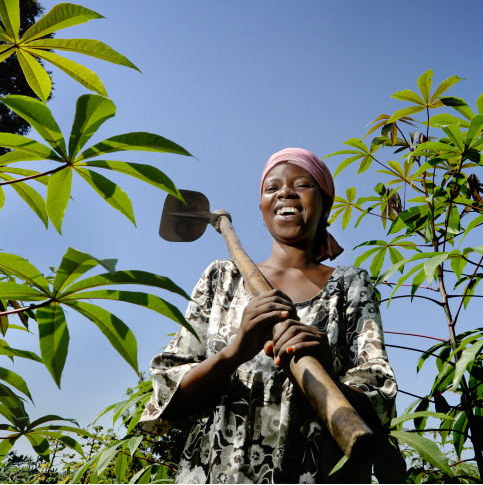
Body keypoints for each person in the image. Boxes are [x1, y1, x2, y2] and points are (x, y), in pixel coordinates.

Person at [139, 148, 397, 483]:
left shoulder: (349, 285)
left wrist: (326, 371)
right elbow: (167, 396)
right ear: (263, 211)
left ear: (326, 205)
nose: (285, 192)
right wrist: (236, 351)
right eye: (271, 188)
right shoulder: (222, 279)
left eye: (301, 184)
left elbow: (379, 398)